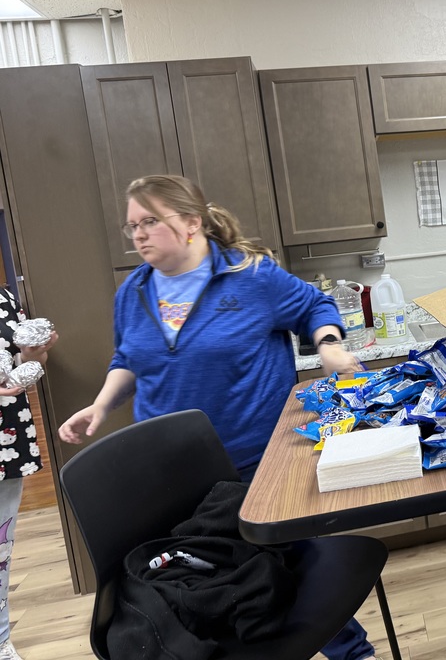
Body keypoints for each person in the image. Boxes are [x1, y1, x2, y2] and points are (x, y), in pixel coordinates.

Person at [57, 175, 376, 660]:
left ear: (191, 223)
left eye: (149, 221)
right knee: (210, 576)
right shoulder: (133, 291)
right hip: (173, 474)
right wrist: (102, 404)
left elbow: (315, 305)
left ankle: (353, 653)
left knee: (293, 567)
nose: (138, 234)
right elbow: (128, 358)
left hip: (255, 464)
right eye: (132, 226)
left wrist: (329, 347)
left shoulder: (252, 277)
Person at [0, 285, 58, 660]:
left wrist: (32, 355)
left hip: (5, 441)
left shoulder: (5, 300)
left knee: (0, 546)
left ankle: (0, 638)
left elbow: (20, 364)